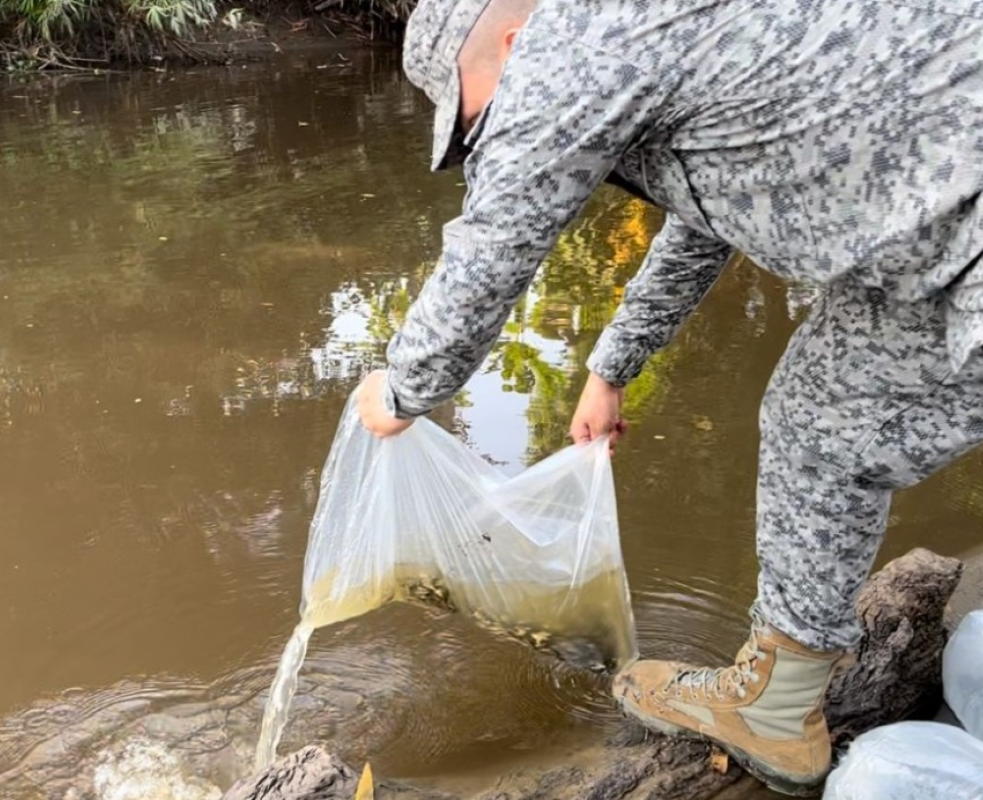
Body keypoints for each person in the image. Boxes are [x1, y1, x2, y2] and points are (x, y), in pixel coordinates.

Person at [352, 0, 983, 794]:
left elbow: (495, 241)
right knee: (815, 423)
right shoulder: (673, 43)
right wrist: (612, 366)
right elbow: (712, 217)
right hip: (936, 234)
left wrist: (405, 386)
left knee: (819, 424)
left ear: (511, 42)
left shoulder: (574, 34)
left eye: (468, 106)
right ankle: (779, 707)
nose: (477, 135)